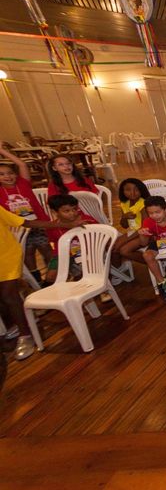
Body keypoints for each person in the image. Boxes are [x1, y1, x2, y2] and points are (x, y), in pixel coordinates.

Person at [0, 204, 79, 360]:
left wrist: (65, 224)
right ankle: (10, 328)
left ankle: (25, 335)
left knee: (9, 295)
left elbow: (26, 223)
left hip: (5, 256)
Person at [0, 146, 53, 282]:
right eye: (2, 174)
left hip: (38, 224)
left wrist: (2, 151)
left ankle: (54, 276)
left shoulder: (23, 184)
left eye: (10, 173)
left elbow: (22, 164)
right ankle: (36, 280)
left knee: (46, 249)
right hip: (18, 229)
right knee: (28, 254)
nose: (8, 176)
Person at [43, 194, 98, 283]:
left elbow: (101, 235)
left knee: (86, 274)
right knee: (50, 277)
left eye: (74, 209)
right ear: (54, 212)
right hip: (63, 254)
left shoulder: (87, 221)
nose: (72, 213)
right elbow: (54, 244)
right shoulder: (52, 226)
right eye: (66, 211)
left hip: (88, 252)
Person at [113, 178, 149, 266]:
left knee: (123, 250)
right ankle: (118, 271)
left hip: (146, 233)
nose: (132, 192)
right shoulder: (124, 204)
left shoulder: (143, 204)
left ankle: (152, 262)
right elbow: (124, 226)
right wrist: (124, 217)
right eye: (128, 190)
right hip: (133, 231)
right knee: (113, 247)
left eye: (136, 189)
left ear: (141, 190)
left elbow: (144, 227)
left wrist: (125, 240)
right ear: (123, 191)